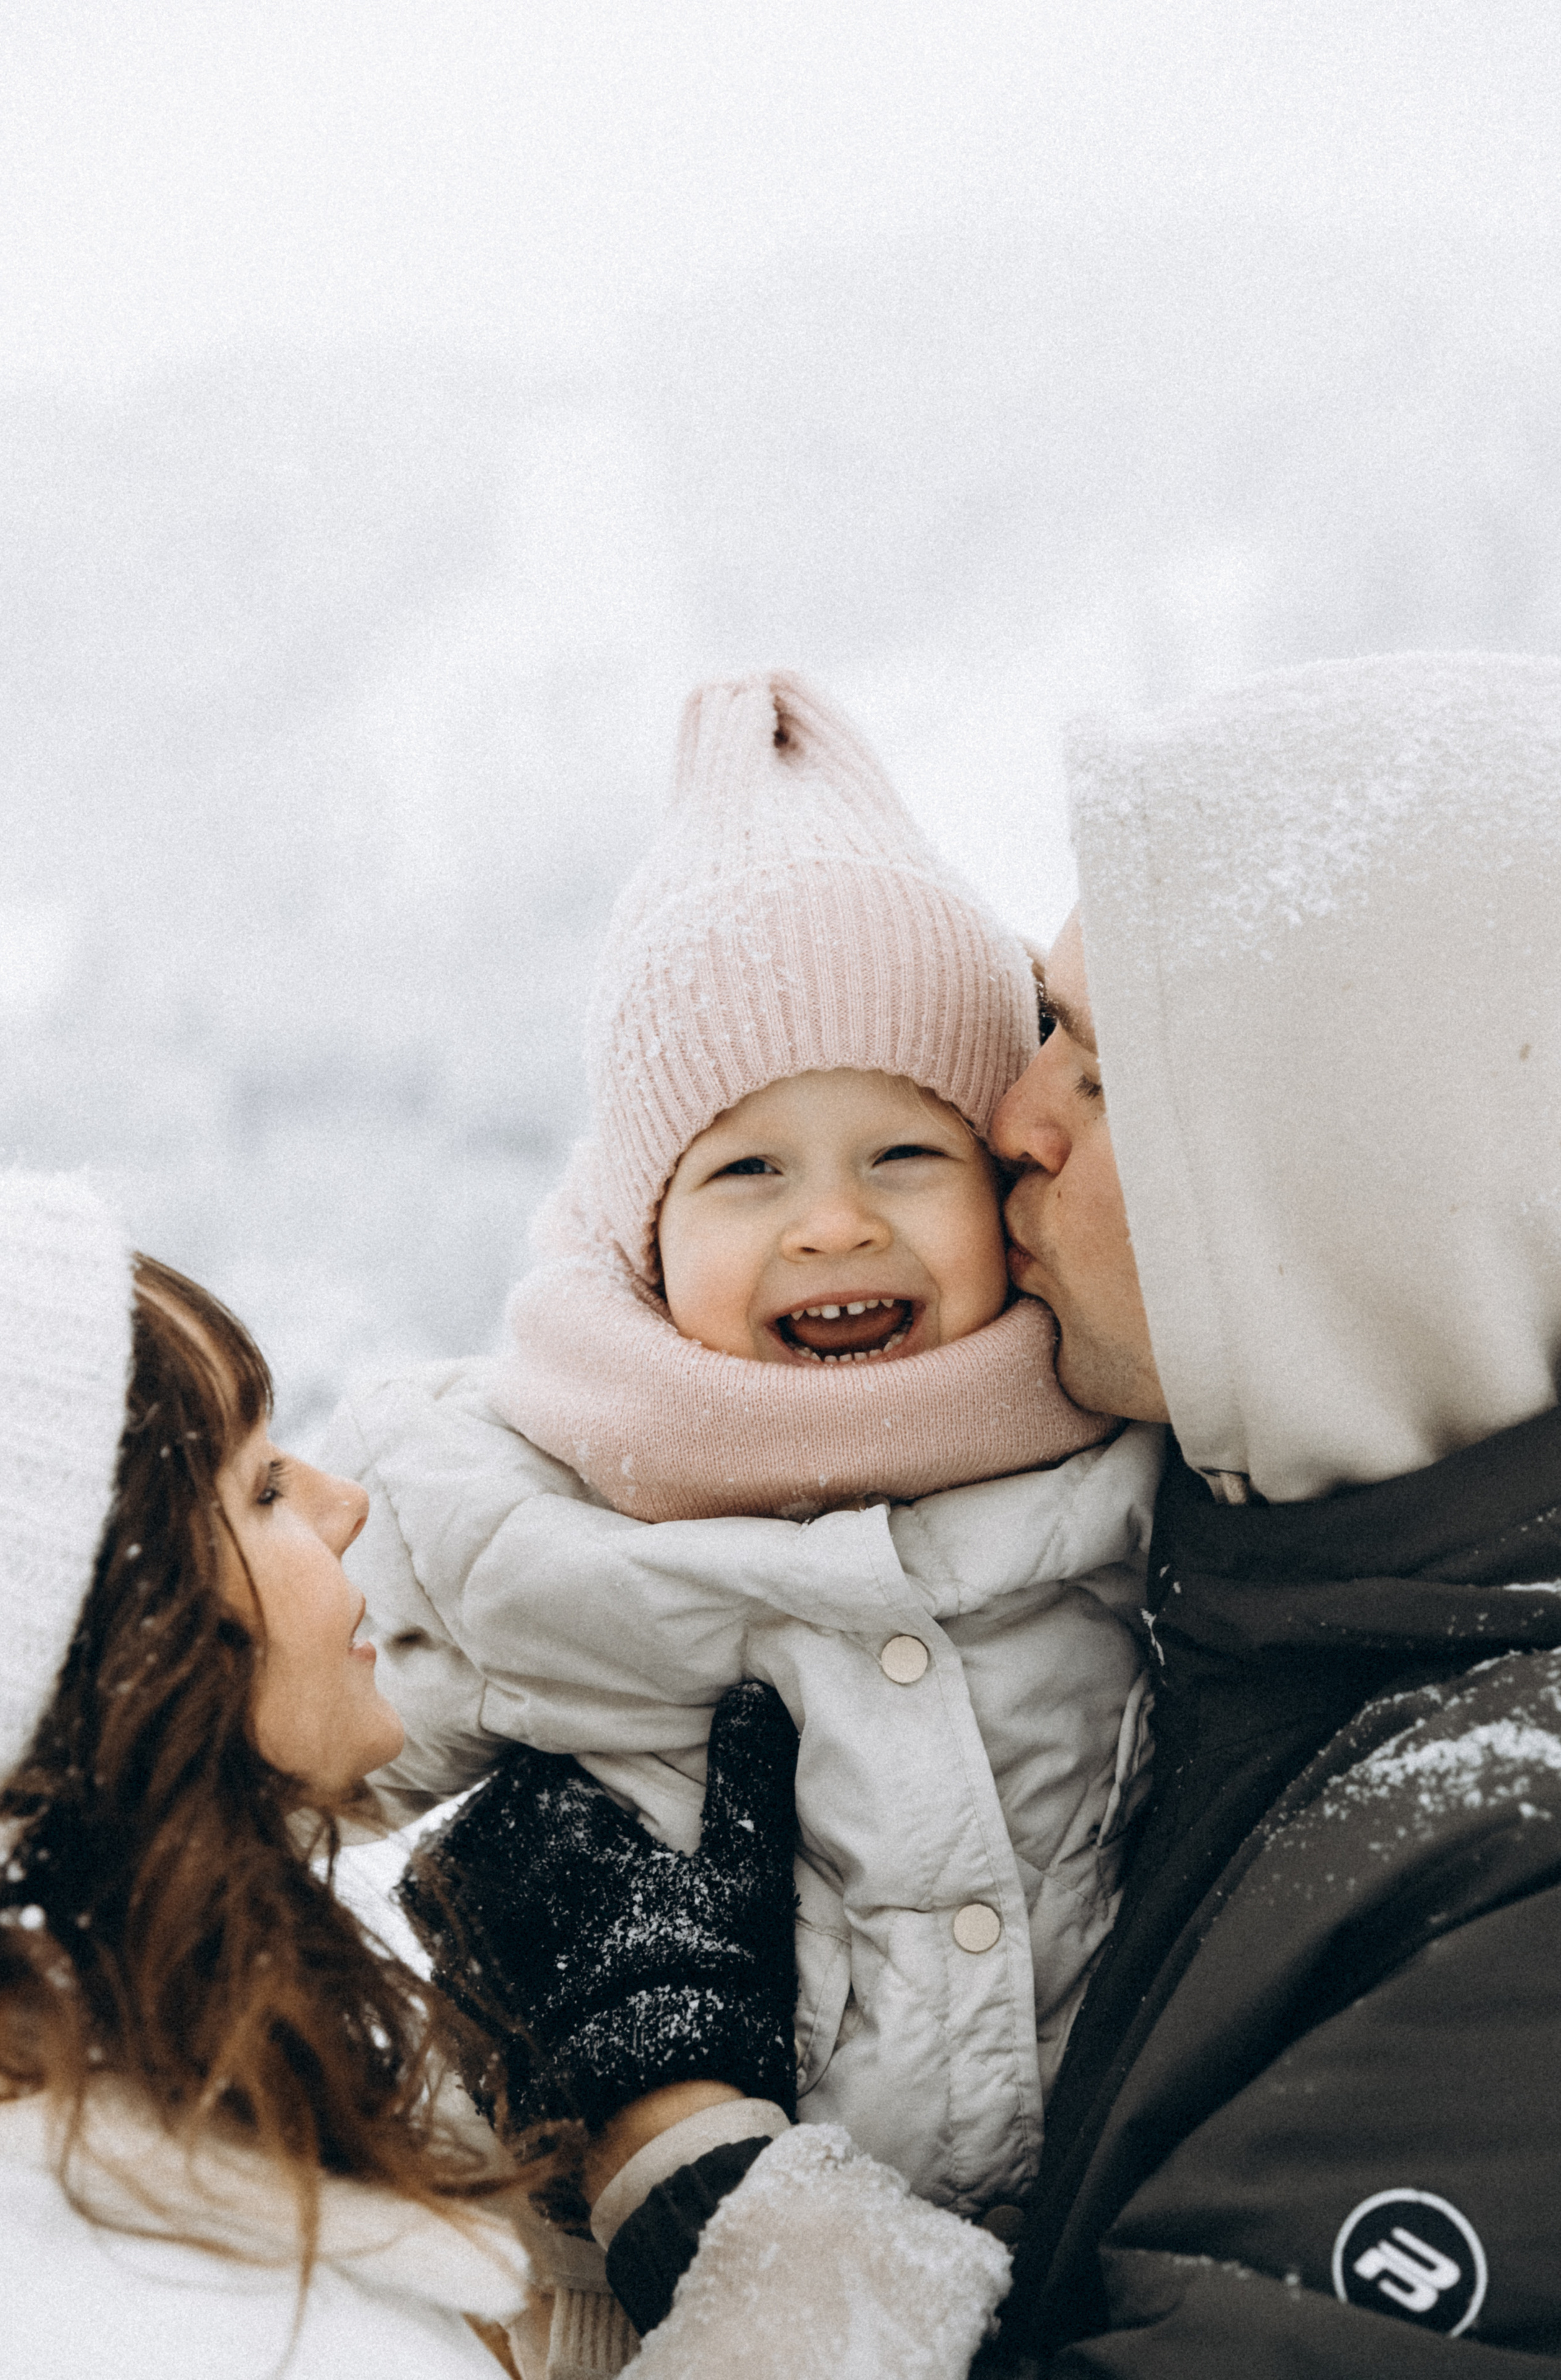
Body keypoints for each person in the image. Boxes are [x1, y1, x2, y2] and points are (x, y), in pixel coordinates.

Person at [440, 651, 1561, 2376]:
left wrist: (684, 2151)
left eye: (1099, 1073)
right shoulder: (1252, 1572)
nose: (1006, 1119)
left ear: (1332, 1171)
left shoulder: (1512, 1870)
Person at [323, 669, 1167, 2297]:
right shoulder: (524, 1507)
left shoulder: (1133, 1454)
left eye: (904, 1155)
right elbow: (231, 1760)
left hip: (1105, 2276)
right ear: (646, 1230)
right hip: (691, 2304)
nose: (834, 1222)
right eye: (749, 1169)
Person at [0, 1168, 536, 2376]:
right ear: (127, 1640)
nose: (345, 1503)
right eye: (264, 1486)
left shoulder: (119, 2136)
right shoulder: (197, 2322)